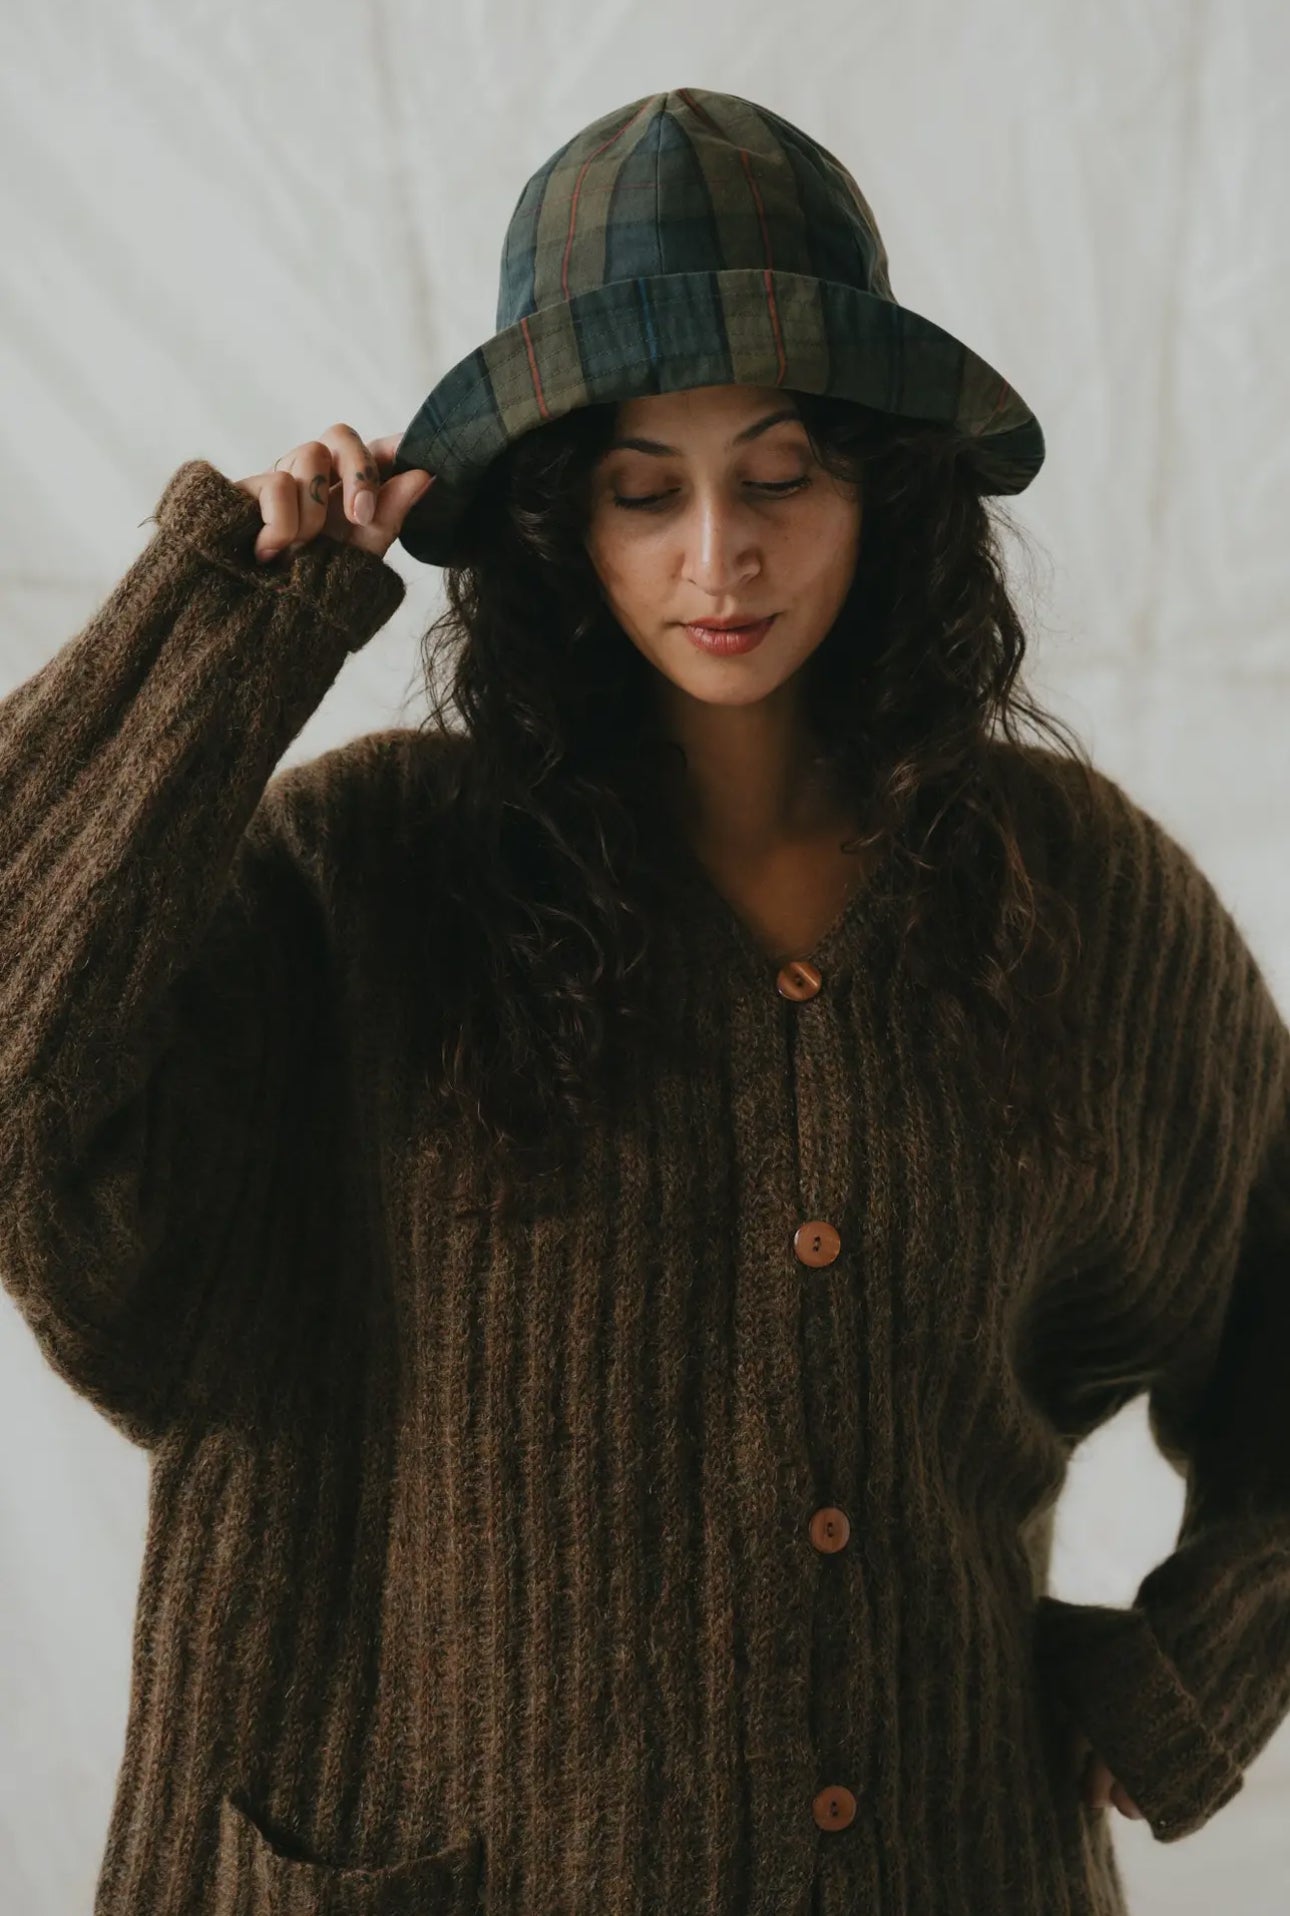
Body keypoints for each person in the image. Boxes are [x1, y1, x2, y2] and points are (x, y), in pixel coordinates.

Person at [2, 86, 1287, 1916]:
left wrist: (1206, 1655)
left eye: (779, 476)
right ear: (551, 521)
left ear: (880, 487)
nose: (719, 558)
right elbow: (22, 1100)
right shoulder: (358, 884)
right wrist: (214, 636)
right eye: (641, 490)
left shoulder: (1069, 899)